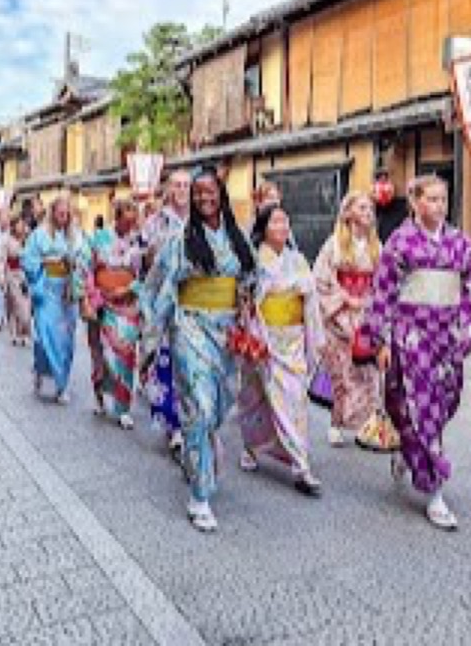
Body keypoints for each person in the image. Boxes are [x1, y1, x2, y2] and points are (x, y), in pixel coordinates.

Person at [361, 175, 471, 531]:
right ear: (415, 202)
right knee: (419, 408)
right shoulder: (400, 243)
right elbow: (383, 293)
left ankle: (409, 450)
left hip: (446, 338)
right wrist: (382, 340)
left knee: (444, 403)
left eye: (442, 198)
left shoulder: (461, 244)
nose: (438, 205)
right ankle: (434, 491)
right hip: (411, 336)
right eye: (431, 199)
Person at [140, 166, 255, 532]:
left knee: (219, 406)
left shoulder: (238, 239)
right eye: (198, 193)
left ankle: (201, 450)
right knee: (199, 407)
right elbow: (156, 283)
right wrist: (152, 333)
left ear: (221, 194)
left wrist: (247, 311)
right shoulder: (179, 240)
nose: (205, 198)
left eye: (210, 191)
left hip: (226, 332)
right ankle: (199, 494)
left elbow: (251, 279)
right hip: (189, 326)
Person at [237, 204, 325, 496]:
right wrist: (251, 330)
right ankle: (252, 447)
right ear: (264, 228)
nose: (283, 226)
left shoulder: (297, 259)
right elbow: (245, 299)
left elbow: (310, 299)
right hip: (263, 337)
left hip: (294, 338)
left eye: (286, 221)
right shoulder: (253, 259)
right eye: (276, 221)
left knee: (294, 399)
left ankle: (301, 465)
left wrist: (314, 334)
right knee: (255, 399)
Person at [313, 191, 396, 450]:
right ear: (348, 213)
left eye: (370, 209)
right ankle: (337, 422)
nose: (368, 213)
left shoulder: (377, 247)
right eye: (362, 208)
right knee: (342, 375)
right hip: (339, 315)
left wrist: (371, 302)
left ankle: (366, 425)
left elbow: (383, 282)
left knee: (369, 374)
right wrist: (345, 300)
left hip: (366, 314)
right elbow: (321, 281)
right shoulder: (334, 244)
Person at [76, 199, 145, 430]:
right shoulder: (98, 238)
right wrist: (87, 296)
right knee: (101, 353)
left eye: (133, 217)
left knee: (125, 354)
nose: (130, 221)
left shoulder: (139, 241)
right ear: (116, 216)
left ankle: (123, 407)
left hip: (128, 304)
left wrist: (132, 288)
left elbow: (146, 272)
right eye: (126, 215)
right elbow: (84, 267)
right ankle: (99, 394)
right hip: (103, 301)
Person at [140, 170, 192, 458]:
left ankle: (190, 421)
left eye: (186, 185)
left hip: (195, 304)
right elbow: (145, 261)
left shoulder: (202, 219)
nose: (182, 189)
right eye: (177, 185)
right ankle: (174, 427)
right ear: (168, 189)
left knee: (192, 366)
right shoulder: (155, 222)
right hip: (165, 301)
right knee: (168, 361)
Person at [22, 193, 82, 403]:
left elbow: (84, 258)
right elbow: (28, 260)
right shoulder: (39, 235)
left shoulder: (76, 235)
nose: (63, 217)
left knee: (65, 341)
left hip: (66, 291)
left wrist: (75, 263)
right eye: (60, 213)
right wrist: (43, 267)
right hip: (47, 289)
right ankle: (40, 368)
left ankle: (62, 384)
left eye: (67, 214)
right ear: (53, 213)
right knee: (44, 338)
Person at [4, 214, 32, 347]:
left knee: (25, 307)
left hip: (26, 275)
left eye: (22, 224)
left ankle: (24, 332)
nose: (21, 227)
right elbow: (5, 257)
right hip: (13, 275)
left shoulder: (28, 239)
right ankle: (14, 333)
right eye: (18, 224)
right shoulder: (8, 240)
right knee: (14, 304)